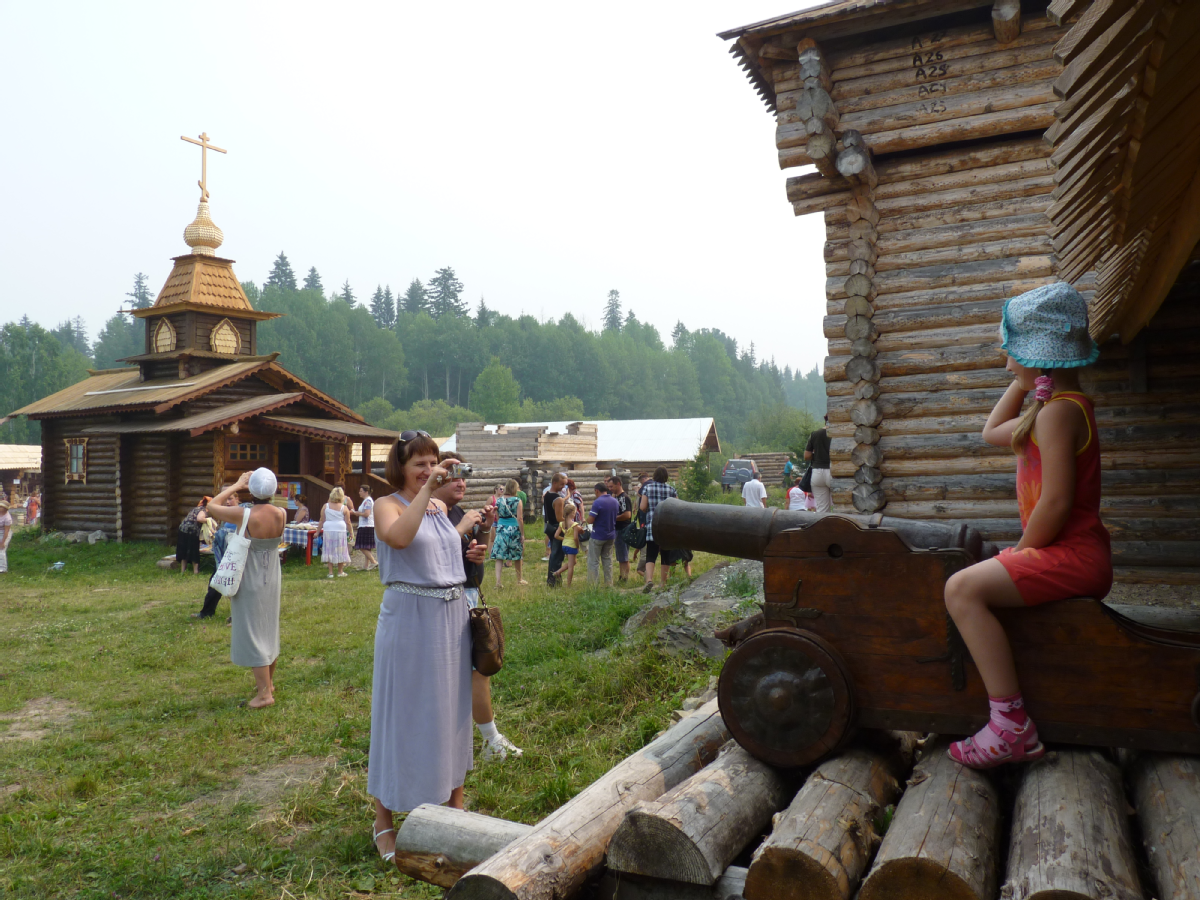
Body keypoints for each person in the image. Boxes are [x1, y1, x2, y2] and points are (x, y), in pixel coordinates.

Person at [944, 283, 1110, 770]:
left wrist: (1022, 551)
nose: (1005, 362)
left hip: (1073, 554)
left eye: (1011, 350)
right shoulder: (1052, 411)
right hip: (1069, 550)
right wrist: (1027, 377)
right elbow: (991, 432)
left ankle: (1010, 725)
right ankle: (1008, 719)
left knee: (961, 590)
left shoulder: (1059, 413)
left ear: (1040, 357)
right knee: (974, 581)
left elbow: (1055, 502)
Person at [367, 431, 487, 864]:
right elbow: (399, 538)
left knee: (451, 711)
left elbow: (439, 555)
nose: (428, 470)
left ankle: (454, 804)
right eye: (419, 463)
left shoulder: (439, 507)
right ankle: (383, 819)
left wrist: (470, 556)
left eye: (433, 462)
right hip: (409, 619)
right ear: (400, 467)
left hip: (450, 619)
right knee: (400, 714)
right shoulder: (387, 504)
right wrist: (427, 491)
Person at [433, 454, 524, 762]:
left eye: (463, 476)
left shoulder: (456, 511)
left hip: (468, 595)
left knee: (479, 668)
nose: (461, 482)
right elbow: (432, 555)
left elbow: (469, 553)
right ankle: (487, 741)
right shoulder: (434, 515)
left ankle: (486, 739)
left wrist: (483, 530)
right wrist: (462, 528)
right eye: (453, 476)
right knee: (472, 672)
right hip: (447, 601)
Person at [206, 468, 286, 709]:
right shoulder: (281, 513)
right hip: (272, 576)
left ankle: (264, 695)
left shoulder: (245, 515)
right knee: (269, 628)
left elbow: (212, 506)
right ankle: (269, 684)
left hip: (250, 576)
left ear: (251, 490)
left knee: (252, 632)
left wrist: (237, 484)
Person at [192, 491, 245, 620]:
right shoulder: (226, 514)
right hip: (223, 556)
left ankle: (238, 616)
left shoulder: (242, 513)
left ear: (237, 499)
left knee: (234, 585)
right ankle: (207, 612)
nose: (227, 502)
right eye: (225, 499)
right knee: (215, 582)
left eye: (230, 499)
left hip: (236, 556)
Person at [639, 467, 679, 593]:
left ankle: (649, 580)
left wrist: (649, 509)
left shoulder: (647, 488)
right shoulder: (671, 490)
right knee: (665, 555)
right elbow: (677, 508)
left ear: (654, 476)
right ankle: (663, 583)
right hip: (666, 527)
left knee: (651, 554)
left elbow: (642, 507)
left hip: (653, 525)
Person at [490, 479, 527, 588]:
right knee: (517, 555)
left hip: (501, 528)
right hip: (514, 528)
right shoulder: (517, 500)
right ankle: (519, 579)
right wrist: (522, 534)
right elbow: (520, 518)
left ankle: (498, 582)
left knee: (499, 556)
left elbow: (497, 516)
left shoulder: (499, 500)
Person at [586, 482, 619, 586]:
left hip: (598, 535)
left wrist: (586, 519)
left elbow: (590, 520)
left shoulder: (597, 502)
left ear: (597, 491)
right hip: (611, 534)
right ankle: (609, 584)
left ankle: (593, 585)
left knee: (593, 561)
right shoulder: (614, 501)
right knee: (608, 560)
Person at [319, 487, 353, 578]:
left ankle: (330, 572)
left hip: (328, 529)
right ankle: (340, 571)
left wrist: (317, 532)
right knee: (340, 550)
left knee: (329, 549)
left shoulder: (325, 506)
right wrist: (351, 532)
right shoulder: (344, 508)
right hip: (340, 529)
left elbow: (322, 520)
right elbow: (348, 522)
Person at [605, 475, 633, 581]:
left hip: (623, 529)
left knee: (624, 556)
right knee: (621, 556)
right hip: (618, 530)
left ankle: (624, 577)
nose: (610, 489)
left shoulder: (624, 498)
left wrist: (614, 518)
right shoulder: (616, 497)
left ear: (618, 484)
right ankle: (622, 576)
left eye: (612, 486)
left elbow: (627, 514)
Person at [805, 415, 833, 513]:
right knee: (841, 506)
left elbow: (807, 456)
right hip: (834, 472)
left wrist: (817, 455)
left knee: (822, 509)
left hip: (817, 472)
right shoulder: (838, 434)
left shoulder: (815, 434)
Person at [543, 472, 568, 586]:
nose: (563, 487)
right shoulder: (558, 499)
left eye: (564, 484)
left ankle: (552, 579)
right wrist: (571, 522)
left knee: (554, 553)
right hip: (557, 528)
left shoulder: (547, 494)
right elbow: (559, 518)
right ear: (554, 483)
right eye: (561, 484)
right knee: (557, 556)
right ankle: (554, 580)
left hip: (549, 527)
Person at [176, 497, 209, 575]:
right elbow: (200, 519)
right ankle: (195, 571)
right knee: (194, 550)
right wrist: (209, 520)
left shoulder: (196, 508)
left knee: (184, 550)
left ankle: (183, 571)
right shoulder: (203, 510)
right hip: (191, 531)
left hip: (182, 529)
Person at [553, 501, 582, 586]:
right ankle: (568, 584)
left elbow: (556, 535)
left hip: (564, 545)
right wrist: (577, 546)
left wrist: (564, 539)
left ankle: (558, 572)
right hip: (572, 545)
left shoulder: (562, 523)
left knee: (573, 562)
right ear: (572, 513)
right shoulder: (574, 525)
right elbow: (575, 538)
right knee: (571, 566)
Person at [351, 485, 378, 570]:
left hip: (366, 526)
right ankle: (366, 566)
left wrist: (357, 513)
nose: (359, 492)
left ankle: (374, 562)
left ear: (366, 492)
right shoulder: (365, 501)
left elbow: (367, 514)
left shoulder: (368, 501)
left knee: (361, 546)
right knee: (367, 547)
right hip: (366, 525)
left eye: (361, 491)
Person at [0, 500, 11, 574]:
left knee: (1, 550)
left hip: (4, 533)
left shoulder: (7, 518)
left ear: (5, 508)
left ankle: (3, 568)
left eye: (1, 506)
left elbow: (7, 531)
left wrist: (2, 542)